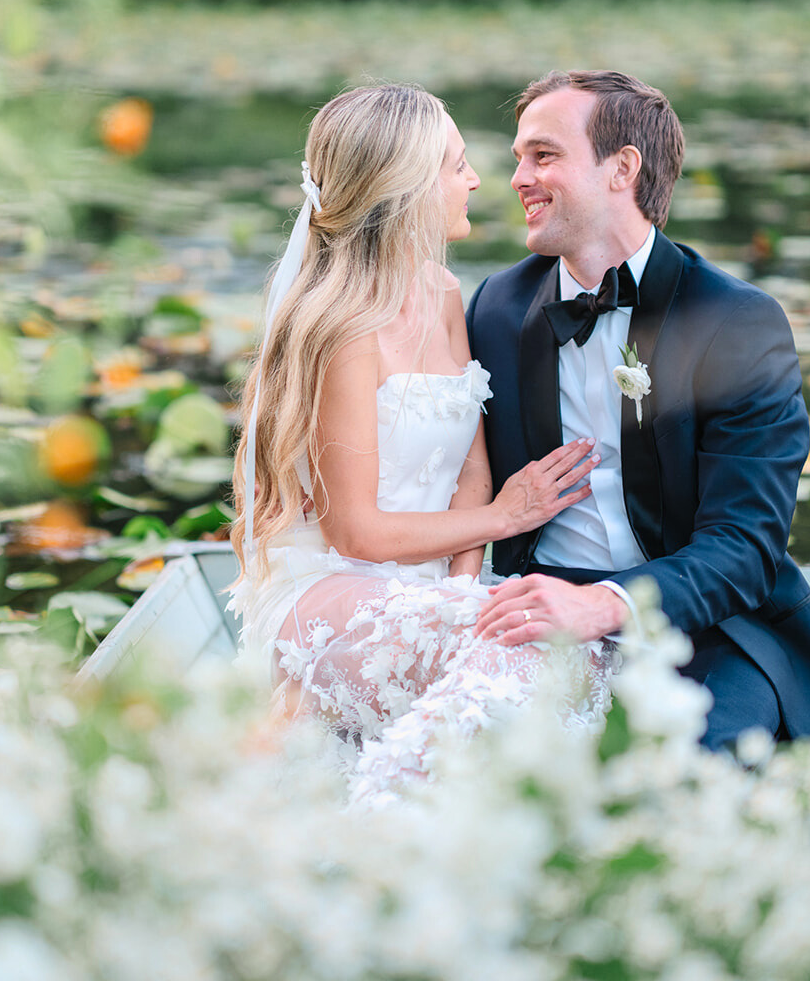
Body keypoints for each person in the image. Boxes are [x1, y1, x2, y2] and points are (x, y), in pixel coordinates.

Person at [465, 70, 810, 753]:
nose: (518, 178)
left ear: (622, 168)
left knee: (693, 774)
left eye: (543, 155)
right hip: (534, 612)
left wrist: (602, 605)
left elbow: (744, 547)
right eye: (518, 159)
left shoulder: (737, 322)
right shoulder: (495, 310)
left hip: (707, 626)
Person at [228, 83, 611, 799]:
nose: (474, 180)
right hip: (330, 589)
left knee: (555, 642)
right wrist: (506, 517)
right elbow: (357, 529)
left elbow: (469, 467)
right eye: (456, 165)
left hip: (432, 588)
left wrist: (462, 586)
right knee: (525, 647)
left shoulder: (442, 292)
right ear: (407, 187)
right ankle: (388, 799)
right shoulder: (342, 329)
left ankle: (413, 781)